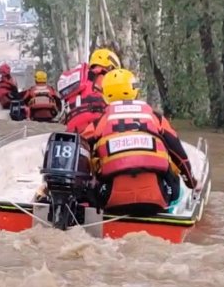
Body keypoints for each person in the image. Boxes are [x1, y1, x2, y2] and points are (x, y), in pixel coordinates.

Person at [80, 68, 196, 217]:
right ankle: (169, 213)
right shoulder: (156, 117)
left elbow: (79, 149)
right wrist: (192, 183)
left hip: (112, 200)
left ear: (105, 94)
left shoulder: (99, 123)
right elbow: (179, 154)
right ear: (134, 90)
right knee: (173, 175)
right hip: (157, 198)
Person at [56, 47, 121, 119]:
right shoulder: (104, 78)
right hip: (94, 122)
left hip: (72, 122)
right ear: (110, 66)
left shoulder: (80, 78)